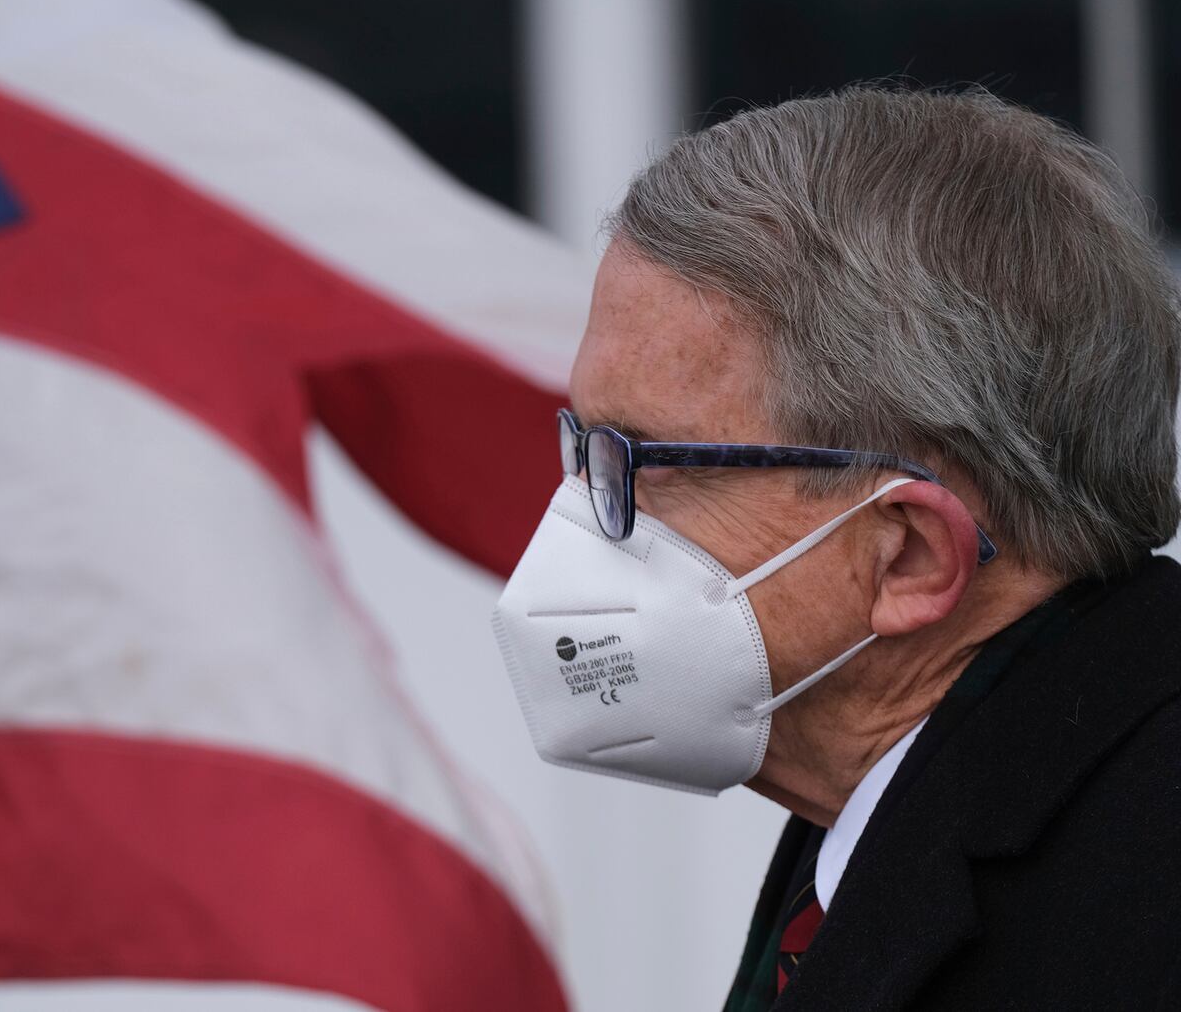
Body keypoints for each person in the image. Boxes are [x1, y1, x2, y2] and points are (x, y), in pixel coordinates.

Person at [490, 87, 1181, 1009]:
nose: (580, 516)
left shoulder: (1142, 883)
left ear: (909, 556)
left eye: (640, 462)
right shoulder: (910, 800)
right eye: (583, 446)